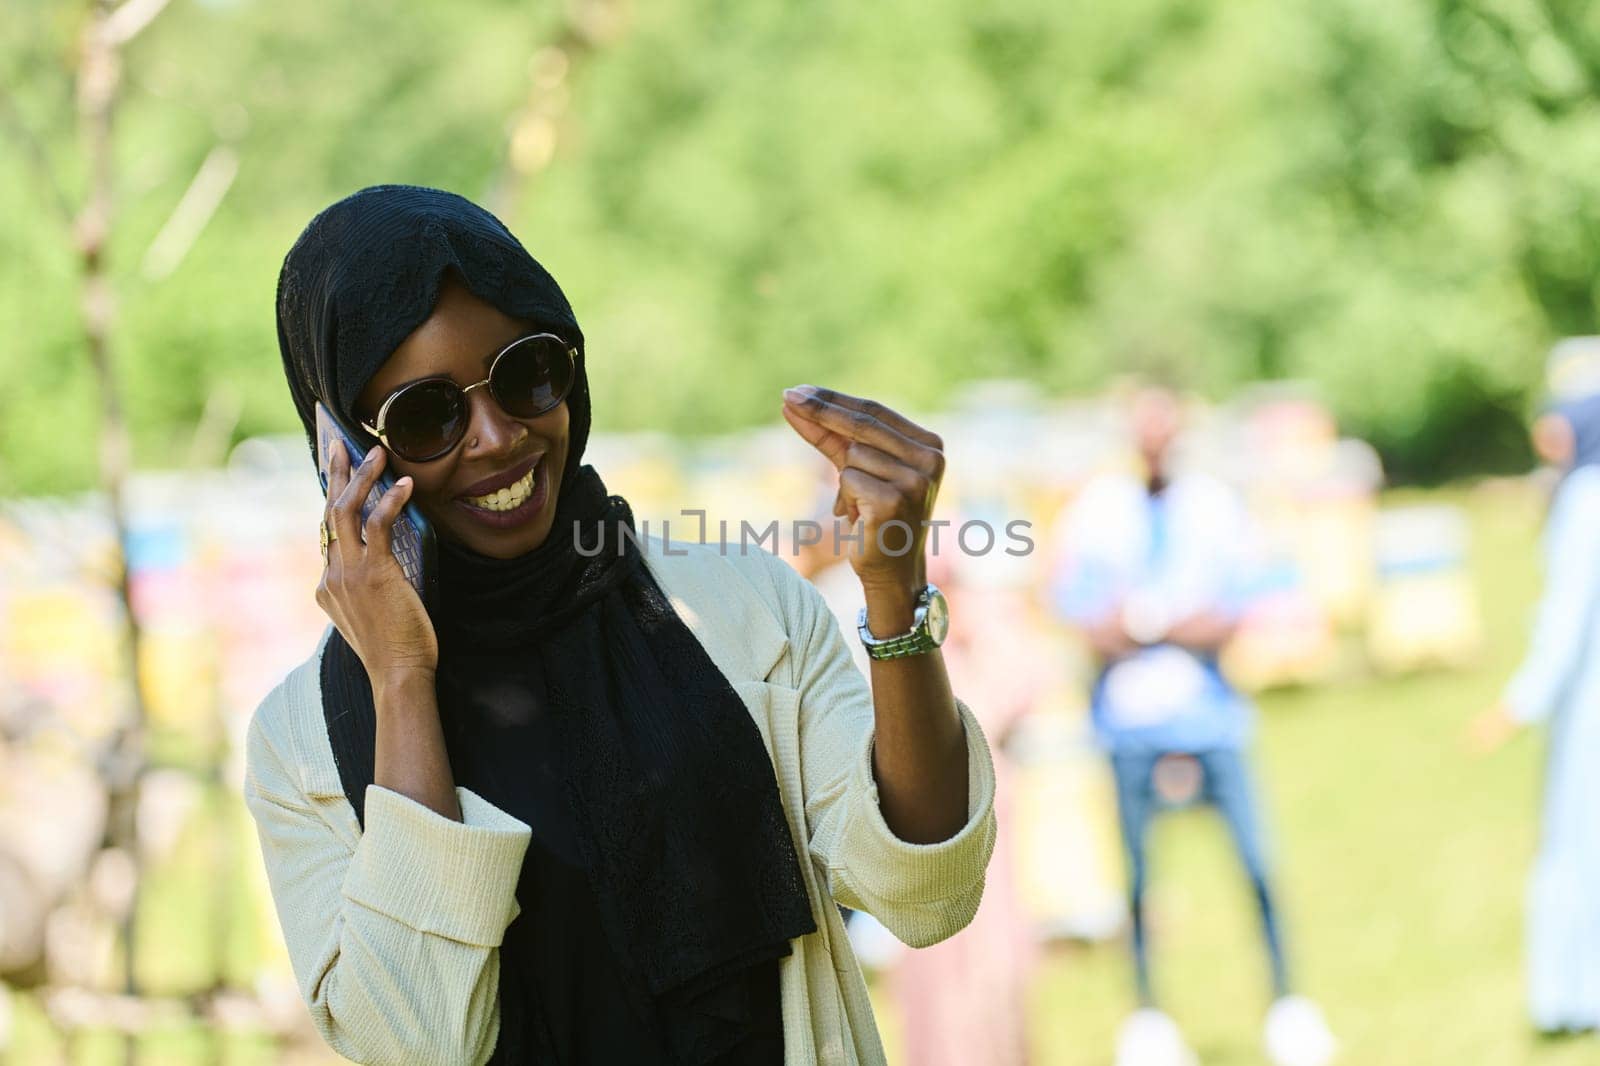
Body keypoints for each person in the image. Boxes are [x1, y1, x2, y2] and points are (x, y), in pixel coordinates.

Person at [244, 185, 997, 1066]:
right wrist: (402, 677)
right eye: (427, 415)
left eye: (528, 372)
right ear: (341, 445)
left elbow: (924, 892)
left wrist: (893, 593)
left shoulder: (737, 606)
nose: (496, 436)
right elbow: (421, 1044)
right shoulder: (301, 740)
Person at [1049, 387, 1335, 1066]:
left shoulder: (1214, 506)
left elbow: (1240, 607)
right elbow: (1082, 614)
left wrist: (1155, 625)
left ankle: (1288, 1005)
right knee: (1140, 880)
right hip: (1127, 726)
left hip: (1211, 717)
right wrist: (1154, 626)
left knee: (1257, 867)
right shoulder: (1097, 511)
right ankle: (1148, 1019)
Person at [1471, 391, 1600, 1037]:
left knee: (1576, 848)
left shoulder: (1584, 502)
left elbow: (1567, 624)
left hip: (1587, 714)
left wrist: (1516, 706)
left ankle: (1571, 997)